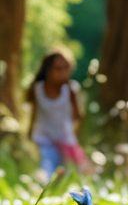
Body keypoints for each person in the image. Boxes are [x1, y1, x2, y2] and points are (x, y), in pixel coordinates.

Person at [26, 49, 88, 179]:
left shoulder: (71, 90)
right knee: (46, 169)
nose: (63, 72)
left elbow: (77, 118)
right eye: (58, 69)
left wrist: (73, 140)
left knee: (76, 174)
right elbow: (33, 113)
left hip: (65, 140)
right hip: (44, 139)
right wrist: (29, 133)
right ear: (48, 70)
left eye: (66, 68)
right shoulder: (37, 89)